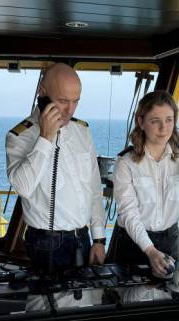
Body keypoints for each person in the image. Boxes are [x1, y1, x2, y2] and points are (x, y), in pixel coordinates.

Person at [6, 63, 106, 276]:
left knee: (82, 304)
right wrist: (46, 138)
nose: (70, 110)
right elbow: (22, 187)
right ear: (42, 94)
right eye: (62, 101)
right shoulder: (20, 136)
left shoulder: (82, 131)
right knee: (50, 304)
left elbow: (94, 188)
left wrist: (98, 238)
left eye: (75, 102)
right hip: (47, 243)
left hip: (83, 238)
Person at [113, 90, 179, 279]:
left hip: (169, 240)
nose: (164, 128)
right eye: (155, 121)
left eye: (169, 120)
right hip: (132, 241)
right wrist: (150, 251)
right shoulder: (126, 162)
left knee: (166, 298)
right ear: (141, 122)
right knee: (125, 299)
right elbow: (129, 213)